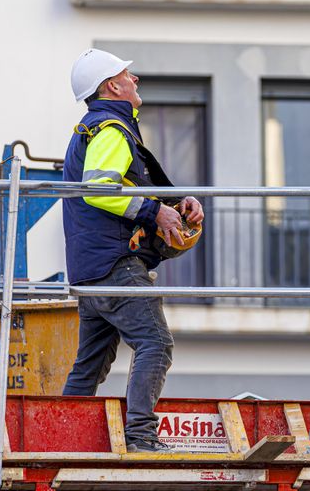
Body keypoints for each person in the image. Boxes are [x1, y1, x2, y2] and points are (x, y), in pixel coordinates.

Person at [61, 48, 204, 452]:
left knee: (90, 364)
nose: (135, 80)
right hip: (115, 264)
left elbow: (114, 187)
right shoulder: (110, 129)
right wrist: (155, 211)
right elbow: (98, 189)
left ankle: (63, 438)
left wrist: (174, 203)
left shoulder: (96, 128)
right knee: (156, 343)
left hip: (91, 269)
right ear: (112, 86)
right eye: (128, 74)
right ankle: (141, 437)